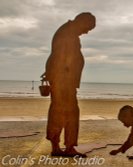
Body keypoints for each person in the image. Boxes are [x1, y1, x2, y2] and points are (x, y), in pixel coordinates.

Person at [41, 12, 96, 157]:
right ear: (81, 21)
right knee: (61, 113)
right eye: (87, 28)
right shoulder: (66, 33)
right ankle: (61, 147)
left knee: (66, 113)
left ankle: (66, 146)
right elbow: (58, 58)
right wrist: (58, 78)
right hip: (63, 82)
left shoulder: (69, 32)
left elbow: (55, 57)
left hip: (66, 81)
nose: (86, 32)